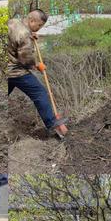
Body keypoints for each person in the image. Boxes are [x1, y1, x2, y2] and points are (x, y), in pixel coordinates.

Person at [8, 9, 68, 139]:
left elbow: (16, 40)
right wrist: (37, 65)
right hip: (16, 72)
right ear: (31, 20)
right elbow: (25, 60)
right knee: (40, 93)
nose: (39, 28)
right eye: (39, 25)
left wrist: (30, 34)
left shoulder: (14, 22)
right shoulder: (24, 34)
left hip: (6, 69)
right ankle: (52, 124)